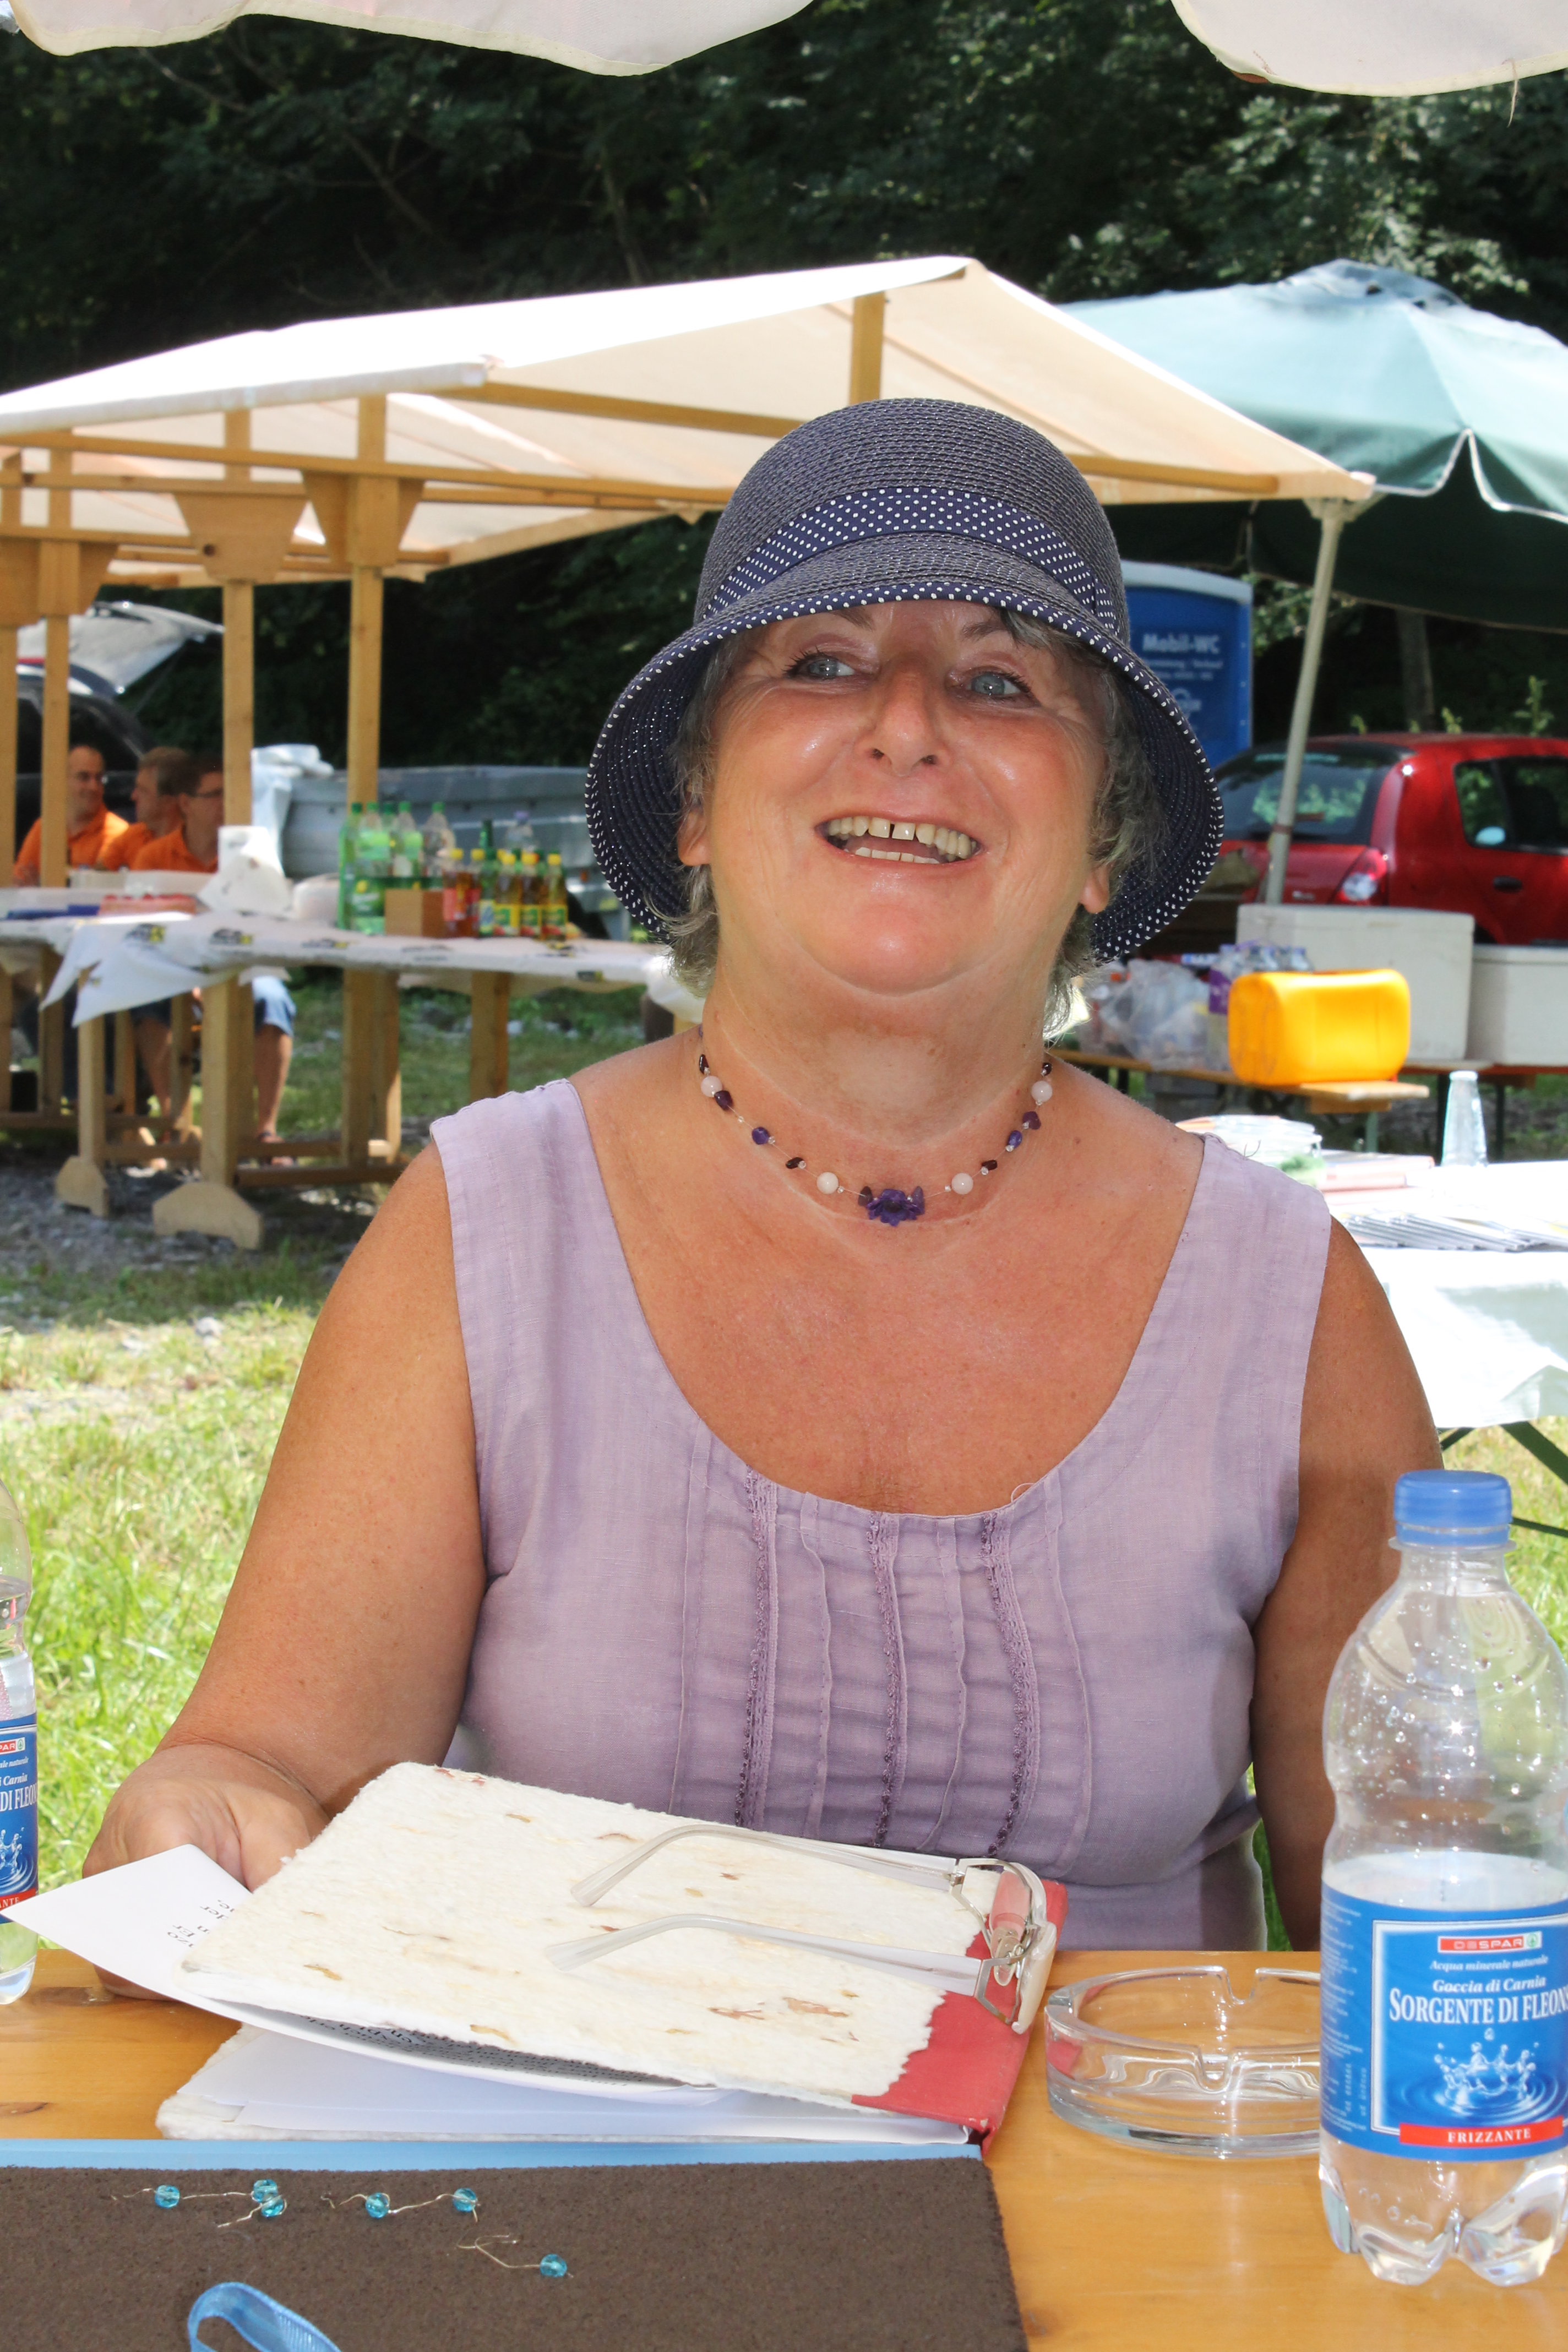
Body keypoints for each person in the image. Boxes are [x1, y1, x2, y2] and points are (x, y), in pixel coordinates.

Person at [88, 401, 1437, 1952]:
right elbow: (267, 1767)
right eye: (822, 662)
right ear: (695, 800)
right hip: (584, 2116)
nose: (907, 723)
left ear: (1101, 846)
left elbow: (1423, 1906)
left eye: (1000, 680)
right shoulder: (489, 1231)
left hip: (1114, 2120)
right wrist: (204, 1808)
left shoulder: (1286, 1301)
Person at [127, 752, 297, 1144]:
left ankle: (265, 1132)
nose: (227, 805)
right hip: (172, 971)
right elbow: (139, 934)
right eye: (216, 795)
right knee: (150, 1003)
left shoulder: (251, 856)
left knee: (272, 1000)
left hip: (242, 969)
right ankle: (175, 1124)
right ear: (186, 804)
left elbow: (274, 924)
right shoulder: (153, 858)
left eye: (232, 795)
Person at [12, 743, 125, 882]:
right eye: (84, 777)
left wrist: (39, 889)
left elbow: (96, 888)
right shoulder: (45, 828)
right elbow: (19, 881)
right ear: (62, 781)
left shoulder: (118, 834)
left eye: (99, 778)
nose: (94, 787)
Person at [96, 745, 189, 870]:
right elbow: (98, 878)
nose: (133, 796)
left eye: (143, 790)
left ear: (169, 801)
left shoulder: (197, 846)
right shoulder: (131, 838)